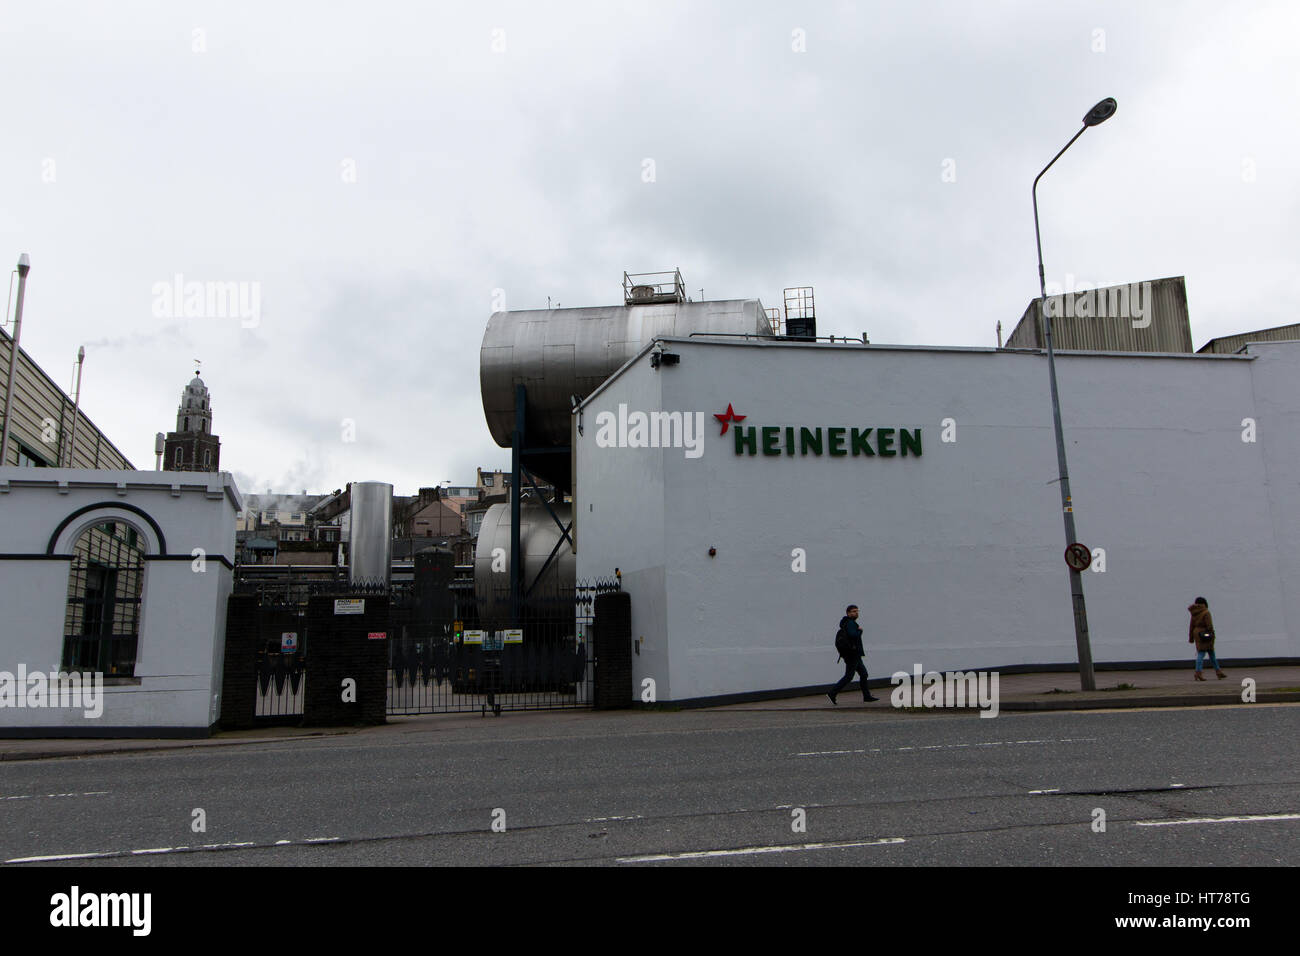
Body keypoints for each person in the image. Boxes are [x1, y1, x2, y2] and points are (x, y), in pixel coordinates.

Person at [828, 604, 878, 704]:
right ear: (848, 613)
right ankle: (832, 693)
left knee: (863, 674)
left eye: (857, 611)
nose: (856, 613)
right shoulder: (850, 623)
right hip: (852, 654)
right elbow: (853, 635)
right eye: (853, 611)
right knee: (849, 676)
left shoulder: (847, 623)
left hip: (854, 654)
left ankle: (867, 696)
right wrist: (860, 631)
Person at [1188, 596, 1225, 681]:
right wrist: (1212, 634)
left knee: (1204, 653)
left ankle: (1217, 672)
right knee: (1207, 653)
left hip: (1197, 633)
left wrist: (1191, 638)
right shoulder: (1206, 612)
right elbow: (1209, 625)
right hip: (1205, 634)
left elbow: (1191, 626)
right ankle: (1199, 672)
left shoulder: (1194, 613)